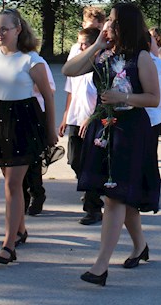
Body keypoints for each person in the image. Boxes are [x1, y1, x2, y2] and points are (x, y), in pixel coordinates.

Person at [61, 3, 161, 287]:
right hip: (104, 127)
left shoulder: (142, 57)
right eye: (109, 21)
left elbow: (153, 98)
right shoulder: (103, 54)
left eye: (115, 22)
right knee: (120, 195)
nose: (109, 26)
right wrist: (96, 45)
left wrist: (123, 98)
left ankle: (101, 266)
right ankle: (140, 245)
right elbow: (69, 70)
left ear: (127, 25)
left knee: (115, 197)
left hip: (130, 131)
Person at [0, 9, 57, 265]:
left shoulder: (31, 60)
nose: (0, 33)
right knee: (10, 182)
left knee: (12, 185)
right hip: (0, 121)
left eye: (5, 29)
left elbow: (48, 96)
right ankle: (20, 230)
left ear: (18, 30)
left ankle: (8, 245)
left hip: (25, 122)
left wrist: (51, 129)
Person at [59, 27, 103, 226]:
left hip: (93, 121)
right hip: (75, 119)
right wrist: (65, 116)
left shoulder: (100, 66)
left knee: (90, 164)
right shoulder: (77, 65)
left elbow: (103, 98)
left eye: (84, 44)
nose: (80, 47)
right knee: (74, 160)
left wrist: (93, 118)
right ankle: (90, 188)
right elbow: (71, 92)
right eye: (79, 43)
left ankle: (93, 208)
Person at [23, 50, 57, 216]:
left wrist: (27, 83)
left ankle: (37, 193)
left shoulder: (37, 61)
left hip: (35, 114)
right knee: (16, 161)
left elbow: (50, 89)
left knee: (33, 159)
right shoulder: (3, 59)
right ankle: (21, 197)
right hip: (12, 115)